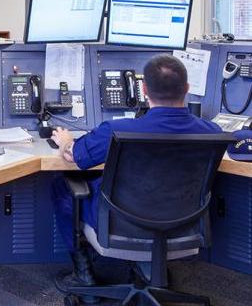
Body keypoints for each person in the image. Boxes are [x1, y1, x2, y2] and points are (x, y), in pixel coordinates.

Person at [51, 54, 221, 289]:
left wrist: (65, 141)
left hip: (119, 227)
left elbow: (74, 157)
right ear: (187, 89)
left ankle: (84, 275)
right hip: (185, 227)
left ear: (143, 89)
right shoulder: (212, 132)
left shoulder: (117, 129)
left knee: (63, 184)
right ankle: (149, 268)